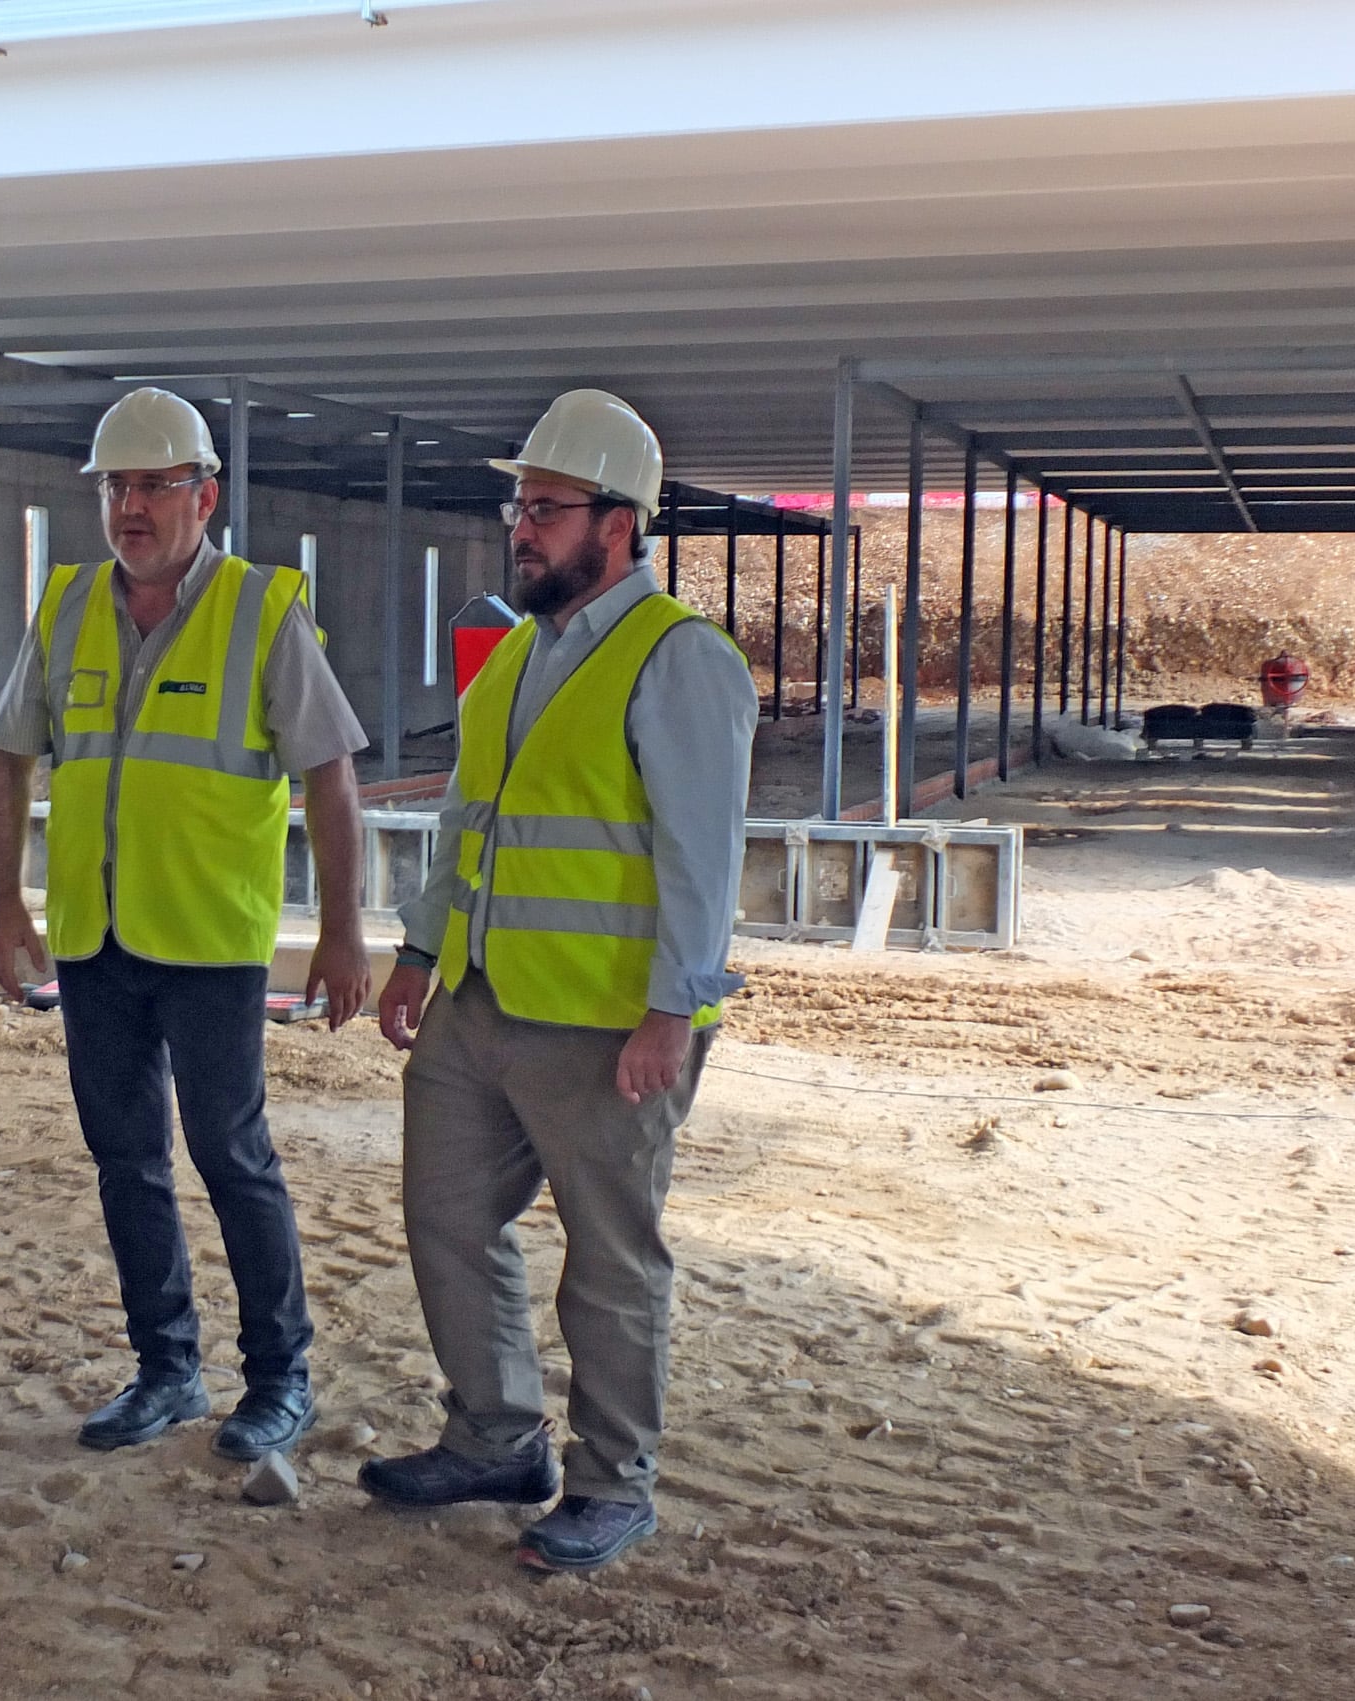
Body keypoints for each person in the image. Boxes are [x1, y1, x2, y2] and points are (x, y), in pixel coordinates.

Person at [360, 389, 757, 1573]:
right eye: (516, 507)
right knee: (444, 1218)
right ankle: (493, 1437)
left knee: (611, 1260)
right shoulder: (513, 662)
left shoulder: (678, 659)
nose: (521, 529)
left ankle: (612, 1483)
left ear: (618, 523)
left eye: (546, 509)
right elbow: (462, 829)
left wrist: (672, 1010)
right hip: (479, 1006)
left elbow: (702, 855)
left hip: (604, 1026)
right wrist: (420, 954)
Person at [0, 387, 372, 1461]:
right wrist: (5, 902)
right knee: (125, 1158)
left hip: (210, 943)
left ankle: (278, 1380)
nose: (132, 507)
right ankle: (166, 1371)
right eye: (116, 487)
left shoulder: (258, 609)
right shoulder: (64, 607)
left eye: (155, 485)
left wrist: (342, 933)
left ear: (206, 496)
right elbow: (3, 758)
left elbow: (330, 779)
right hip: (97, 942)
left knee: (230, 1154)